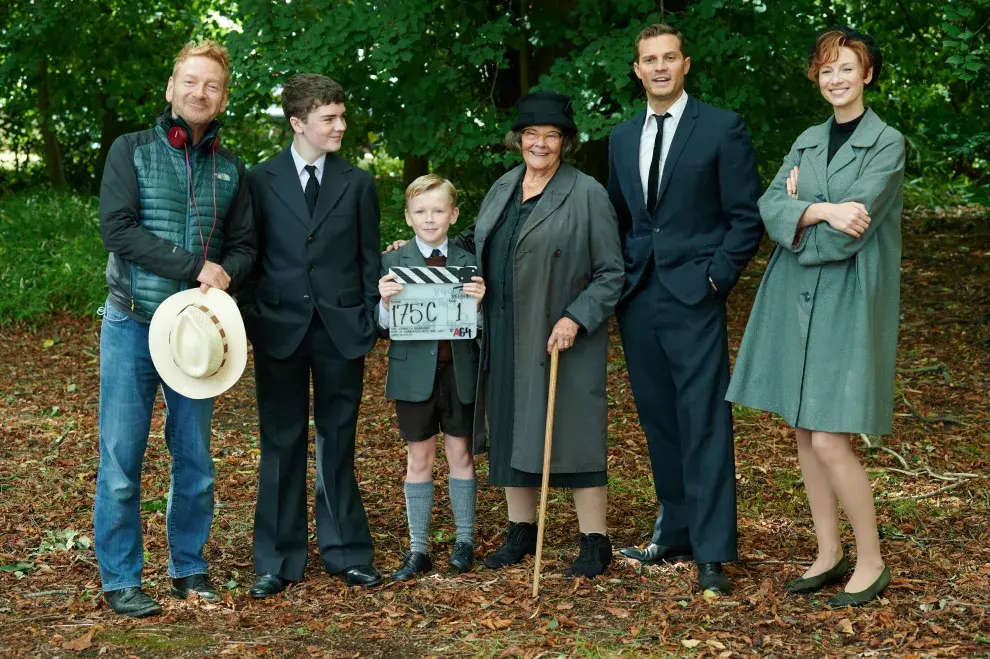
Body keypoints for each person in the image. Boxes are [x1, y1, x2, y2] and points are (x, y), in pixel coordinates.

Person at [726, 26, 903, 607]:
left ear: (867, 73)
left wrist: (801, 223)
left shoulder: (887, 143)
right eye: (826, 70)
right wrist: (821, 209)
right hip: (794, 301)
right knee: (803, 429)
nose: (836, 79)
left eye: (846, 68)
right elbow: (769, 207)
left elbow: (851, 235)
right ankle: (828, 552)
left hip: (850, 297)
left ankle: (871, 559)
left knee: (830, 435)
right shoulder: (806, 139)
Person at [95, 40, 255, 617]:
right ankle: (120, 578)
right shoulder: (129, 151)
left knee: (195, 460)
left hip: (197, 337)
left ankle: (189, 567)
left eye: (211, 85)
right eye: (190, 81)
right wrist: (193, 266)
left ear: (222, 98)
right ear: (171, 88)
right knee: (120, 457)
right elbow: (118, 229)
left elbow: (243, 247)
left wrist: (225, 273)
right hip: (132, 323)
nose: (199, 93)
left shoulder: (232, 169)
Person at [606, 23, 764, 594]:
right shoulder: (622, 138)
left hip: (695, 295)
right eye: (650, 59)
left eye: (669, 57)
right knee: (658, 420)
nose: (660, 67)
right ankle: (674, 530)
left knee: (704, 422)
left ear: (686, 64)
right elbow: (622, 219)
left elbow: (746, 217)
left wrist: (715, 279)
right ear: (637, 69)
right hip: (639, 297)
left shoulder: (721, 128)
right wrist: (621, 278)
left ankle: (713, 552)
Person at [465, 91, 624, 578]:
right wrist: (418, 248)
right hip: (504, 326)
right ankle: (521, 530)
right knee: (512, 426)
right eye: (531, 134)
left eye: (551, 135)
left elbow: (612, 272)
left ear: (565, 142)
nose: (540, 143)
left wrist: (576, 317)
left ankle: (595, 540)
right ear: (518, 139)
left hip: (559, 330)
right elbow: (474, 242)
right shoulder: (504, 187)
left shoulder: (587, 192)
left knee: (571, 433)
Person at [240, 73, 382, 597]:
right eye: (329, 119)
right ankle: (276, 559)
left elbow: (369, 261)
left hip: (342, 330)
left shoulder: (359, 183)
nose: (340, 126)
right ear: (298, 123)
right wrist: (255, 316)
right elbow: (249, 256)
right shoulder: (259, 180)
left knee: (338, 441)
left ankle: (347, 553)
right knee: (281, 443)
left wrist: (369, 318)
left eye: (342, 116)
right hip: (278, 329)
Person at [377, 174, 486, 581]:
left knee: (461, 455)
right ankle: (418, 547)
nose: (429, 218)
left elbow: (480, 325)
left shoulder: (468, 261)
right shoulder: (392, 261)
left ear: (454, 215)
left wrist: (478, 306)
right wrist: (385, 302)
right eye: (421, 211)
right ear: (407, 217)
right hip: (412, 373)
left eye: (438, 210)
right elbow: (382, 325)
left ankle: (464, 541)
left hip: (459, 370)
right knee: (418, 458)